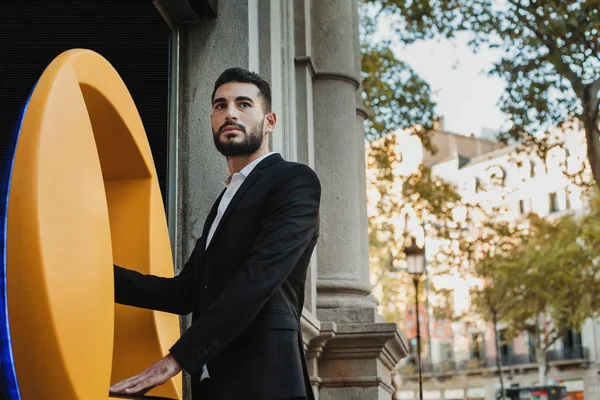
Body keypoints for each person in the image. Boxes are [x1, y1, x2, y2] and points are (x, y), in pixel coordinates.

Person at [109, 67, 320, 400]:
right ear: (211, 120)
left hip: (266, 380)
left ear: (270, 121)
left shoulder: (294, 181)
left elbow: (260, 276)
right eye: (220, 106)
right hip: (212, 384)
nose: (230, 113)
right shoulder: (225, 199)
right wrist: (98, 278)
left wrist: (176, 359)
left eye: (243, 104)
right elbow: (186, 292)